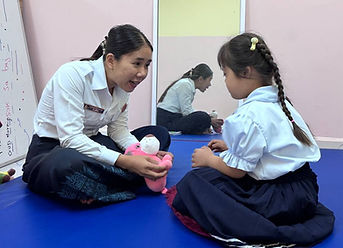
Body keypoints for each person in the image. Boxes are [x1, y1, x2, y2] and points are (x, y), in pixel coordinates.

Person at [166, 33, 334, 246]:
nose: (225, 81)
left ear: (246, 72)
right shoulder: (282, 103)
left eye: (226, 74)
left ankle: (259, 230)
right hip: (304, 192)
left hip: (277, 202)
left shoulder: (247, 115)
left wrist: (209, 159)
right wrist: (231, 147)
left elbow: (237, 171)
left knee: (195, 182)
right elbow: (273, 147)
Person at [22, 24, 172, 205]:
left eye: (147, 65)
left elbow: (118, 131)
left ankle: (98, 186)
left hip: (93, 142)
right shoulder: (72, 75)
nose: (142, 73)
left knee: (160, 134)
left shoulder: (123, 86)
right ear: (110, 60)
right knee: (65, 164)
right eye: (137, 63)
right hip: (54, 149)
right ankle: (131, 179)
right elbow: (70, 139)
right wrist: (125, 161)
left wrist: (141, 153)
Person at [156, 63, 223, 134]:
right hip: (166, 121)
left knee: (203, 117)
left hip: (171, 117)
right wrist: (209, 120)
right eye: (209, 80)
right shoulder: (186, 85)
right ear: (200, 79)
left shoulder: (188, 84)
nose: (209, 84)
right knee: (203, 117)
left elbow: (187, 111)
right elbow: (187, 112)